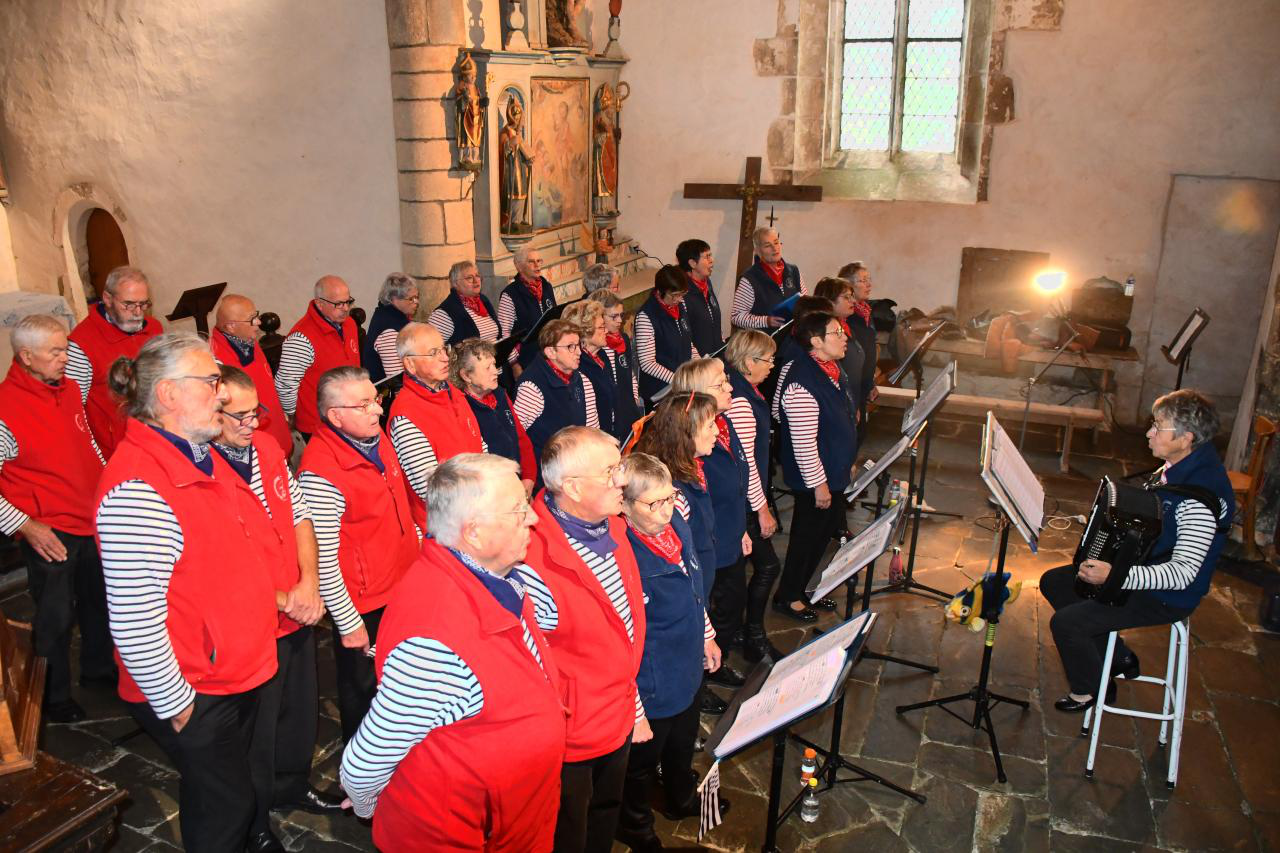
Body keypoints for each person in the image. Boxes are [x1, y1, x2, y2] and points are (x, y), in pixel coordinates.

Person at [96, 332, 279, 853]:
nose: (223, 394)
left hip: (233, 668)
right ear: (170, 394)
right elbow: (134, 619)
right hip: (198, 685)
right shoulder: (138, 488)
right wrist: (178, 705)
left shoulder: (200, 455)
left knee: (226, 795)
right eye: (212, 381)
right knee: (226, 808)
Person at [340, 454, 568, 851]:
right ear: (474, 533)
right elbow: (365, 761)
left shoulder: (492, 575)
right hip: (464, 831)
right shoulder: (434, 644)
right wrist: (367, 805)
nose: (532, 518)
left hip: (512, 814)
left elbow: (546, 622)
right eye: (519, 511)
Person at [211, 366, 342, 852]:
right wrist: (285, 598)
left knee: (297, 712)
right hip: (252, 618)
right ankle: (254, 819)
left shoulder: (266, 448)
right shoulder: (204, 467)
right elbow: (219, 562)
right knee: (256, 732)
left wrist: (309, 581)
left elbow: (300, 514)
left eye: (257, 413)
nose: (252, 424)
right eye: (240, 416)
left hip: (296, 607)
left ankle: (291, 783)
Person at [1040, 390, 1233, 712]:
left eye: (1158, 427)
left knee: (1068, 624)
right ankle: (1118, 657)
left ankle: (1092, 689)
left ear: (1186, 438)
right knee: (1056, 582)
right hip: (1147, 571)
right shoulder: (1182, 464)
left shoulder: (1199, 499)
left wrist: (1116, 576)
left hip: (1166, 596)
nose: (1149, 433)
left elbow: (1183, 573)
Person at [522, 427, 646, 853]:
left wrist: (634, 706)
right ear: (573, 487)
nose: (623, 480)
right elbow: (528, 665)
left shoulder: (614, 528)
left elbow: (625, 628)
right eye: (610, 471)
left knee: (606, 811)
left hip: (617, 710)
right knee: (569, 829)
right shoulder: (530, 558)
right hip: (570, 730)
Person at [297, 366, 419, 742]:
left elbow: (399, 503)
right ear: (336, 416)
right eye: (364, 404)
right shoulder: (321, 473)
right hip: (365, 602)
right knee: (364, 692)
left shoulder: (373, 436)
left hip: (402, 582)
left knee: (403, 678)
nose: (378, 410)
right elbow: (323, 559)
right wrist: (349, 623)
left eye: (375, 400)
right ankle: (363, 763)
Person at [0, 315, 110, 723]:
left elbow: (87, 445)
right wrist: (25, 525)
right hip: (48, 528)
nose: (66, 357)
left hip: (89, 516)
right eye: (56, 352)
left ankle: (100, 670)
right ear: (26, 356)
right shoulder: (4, 408)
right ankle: (52, 695)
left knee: (100, 603)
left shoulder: (70, 389)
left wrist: (108, 487)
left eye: (65, 348)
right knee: (56, 617)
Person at [617, 453, 727, 851]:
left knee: (683, 743)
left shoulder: (676, 523)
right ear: (624, 504)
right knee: (642, 763)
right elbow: (622, 639)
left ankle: (680, 798)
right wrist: (635, 710)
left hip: (687, 665)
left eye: (670, 497)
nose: (667, 510)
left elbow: (694, 587)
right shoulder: (623, 554)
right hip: (653, 679)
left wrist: (707, 636)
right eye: (654, 503)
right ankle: (634, 825)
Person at [633, 392, 730, 715]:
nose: (717, 431)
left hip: (697, 595)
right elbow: (679, 563)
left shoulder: (693, 469)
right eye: (709, 425)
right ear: (685, 434)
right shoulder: (672, 495)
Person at [670, 358, 755, 685]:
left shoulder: (723, 425)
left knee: (732, 602)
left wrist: (742, 527)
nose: (730, 387)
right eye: (721, 384)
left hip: (728, 534)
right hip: (706, 545)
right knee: (707, 608)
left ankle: (717, 660)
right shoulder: (687, 446)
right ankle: (702, 675)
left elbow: (737, 480)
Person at [774, 311, 857, 622]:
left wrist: (846, 461)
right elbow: (804, 442)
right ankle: (788, 596)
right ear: (816, 341)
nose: (844, 337)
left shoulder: (830, 368)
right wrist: (818, 484)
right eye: (837, 333)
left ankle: (803, 590)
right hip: (815, 479)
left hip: (832, 471)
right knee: (806, 538)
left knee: (821, 536)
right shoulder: (802, 382)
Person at [723, 330, 784, 662]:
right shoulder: (741, 402)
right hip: (745, 502)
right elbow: (745, 462)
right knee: (767, 566)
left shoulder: (743, 388)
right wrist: (762, 509)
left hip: (746, 499)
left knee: (742, 572)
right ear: (748, 362)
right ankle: (753, 637)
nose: (772, 365)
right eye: (768, 360)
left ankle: (740, 631)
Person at [387, 323, 484, 531]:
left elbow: (479, 445)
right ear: (410, 364)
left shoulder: (452, 392)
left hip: (477, 508)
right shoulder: (405, 415)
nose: (445, 358)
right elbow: (432, 489)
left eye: (443, 349)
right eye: (433, 353)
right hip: (446, 526)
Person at [67, 265, 163, 457]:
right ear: (107, 298)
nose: (138, 313)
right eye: (129, 304)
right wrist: (96, 458)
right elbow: (73, 410)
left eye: (143, 304)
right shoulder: (81, 344)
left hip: (158, 438)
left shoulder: (154, 328)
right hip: (117, 450)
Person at [276, 275, 361, 439]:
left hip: (349, 414)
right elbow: (285, 384)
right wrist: (291, 415)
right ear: (320, 304)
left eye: (348, 301)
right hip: (319, 424)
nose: (345, 308)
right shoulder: (301, 339)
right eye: (338, 304)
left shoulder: (350, 324)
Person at [210, 294, 293, 456]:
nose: (258, 322)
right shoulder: (216, 362)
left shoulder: (248, 341)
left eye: (256, 316)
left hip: (278, 436)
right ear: (231, 326)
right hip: (256, 449)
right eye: (251, 319)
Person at [451, 338, 537, 493]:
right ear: (466, 376)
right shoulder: (463, 408)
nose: (495, 371)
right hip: (494, 490)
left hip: (518, 484)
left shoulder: (500, 394)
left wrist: (529, 478)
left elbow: (521, 439)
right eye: (487, 368)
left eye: (494, 364)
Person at [513, 318, 598, 467]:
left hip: (576, 464)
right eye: (571, 347)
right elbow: (515, 437)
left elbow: (592, 430)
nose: (579, 352)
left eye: (579, 345)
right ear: (551, 352)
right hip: (546, 471)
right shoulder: (531, 388)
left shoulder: (582, 380)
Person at [634, 265, 699, 407]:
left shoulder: (680, 306)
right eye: (675, 295)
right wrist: (677, 380)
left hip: (682, 385)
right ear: (660, 292)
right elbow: (647, 363)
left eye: (682, 294)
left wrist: (699, 364)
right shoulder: (646, 316)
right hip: (661, 392)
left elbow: (688, 343)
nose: (679, 299)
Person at [590, 289, 643, 442]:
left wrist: (634, 399)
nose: (620, 320)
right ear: (599, 317)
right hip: (612, 419)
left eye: (621, 315)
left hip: (628, 411)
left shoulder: (623, 339)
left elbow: (630, 373)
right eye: (613, 316)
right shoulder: (597, 348)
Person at [731, 228, 806, 330]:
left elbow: (805, 303)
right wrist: (765, 321)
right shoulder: (750, 279)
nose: (774, 248)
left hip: (793, 336)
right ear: (757, 251)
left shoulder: (793, 271)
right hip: (765, 339)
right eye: (767, 245)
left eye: (776, 243)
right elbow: (736, 317)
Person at [837, 262, 880, 439]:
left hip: (862, 383)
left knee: (860, 434)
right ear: (849, 285)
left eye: (869, 279)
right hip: (851, 386)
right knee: (853, 436)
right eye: (863, 280)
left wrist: (870, 383)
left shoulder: (866, 311)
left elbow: (867, 352)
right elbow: (849, 360)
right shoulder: (848, 316)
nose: (869, 284)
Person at [563, 299, 618, 437]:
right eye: (601, 327)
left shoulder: (602, 355)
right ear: (585, 332)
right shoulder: (578, 366)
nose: (606, 330)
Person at [498, 247, 557, 371]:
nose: (537, 265)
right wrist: (514, 364)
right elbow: (505, 334)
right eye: (531, 261)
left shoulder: (546, 286)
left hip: (550, 353)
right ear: (519, 266)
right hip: (527, 359)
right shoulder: (510, 294)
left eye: (539, 261)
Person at [362, 273, 421, 385]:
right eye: (411, 299)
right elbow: (396, 379)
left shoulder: (393, 317)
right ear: (394, 299)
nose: (416, 302)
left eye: (417, 297)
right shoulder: (389, 329)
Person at [427, 260, 500, 347]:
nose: (476, 281)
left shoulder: (483, 300)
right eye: (469, 278)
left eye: (477, 276)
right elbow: (430, 346)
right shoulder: (444, 313)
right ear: (456, 284)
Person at [676, 238, 724, 356]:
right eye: (707, 257)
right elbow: (683, 334)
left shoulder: (707, 283)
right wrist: (699, 360)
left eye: (710, 255)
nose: (712, 260)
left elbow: (713, 320)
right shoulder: (681, 293)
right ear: (692, 263)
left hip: (716, 355)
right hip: (698, 361)